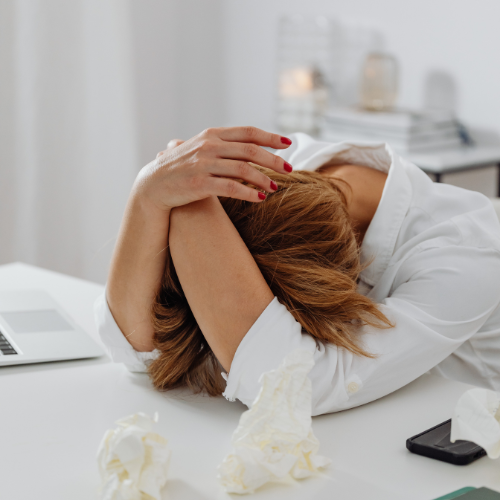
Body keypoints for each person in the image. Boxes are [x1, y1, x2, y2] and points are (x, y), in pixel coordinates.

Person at [95, 127, 500, 416]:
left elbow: (290, 387)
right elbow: (136, 349)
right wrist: (150, 191)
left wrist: (185, 202)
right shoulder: (279, 170)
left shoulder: (470, 258)